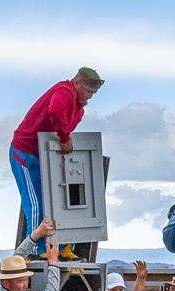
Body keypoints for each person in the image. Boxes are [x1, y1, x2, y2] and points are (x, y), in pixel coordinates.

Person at [10, 67, 104, 261]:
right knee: (36, 204)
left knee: (58, 203)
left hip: (46, 157)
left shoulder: (79, 109)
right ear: (77, 83)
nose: (89, 96)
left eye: (93, 93)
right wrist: (64, 137)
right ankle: (37, 251)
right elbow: (55, 110)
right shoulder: (64, 91)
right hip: (26, 153)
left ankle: (61, 246)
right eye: (88, 91)